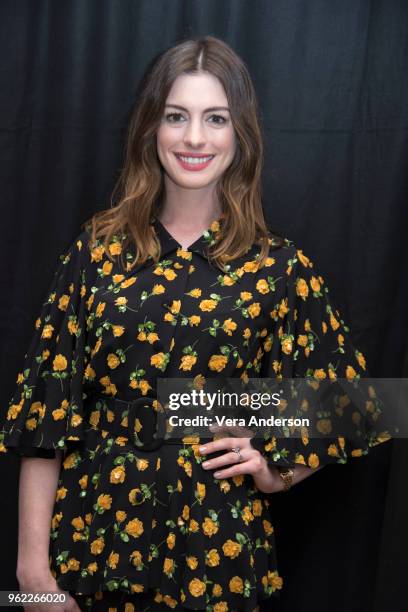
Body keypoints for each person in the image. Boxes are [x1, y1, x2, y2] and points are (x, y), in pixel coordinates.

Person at [0, 36, 389, 612]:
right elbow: (46, 415)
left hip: (219, 557)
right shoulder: (96, 252)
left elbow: (356, 407)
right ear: (151, 128)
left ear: (241, 136)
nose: (194, 138)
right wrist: (31, 575)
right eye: (176, 116)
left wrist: (274, 469)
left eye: (216, 119)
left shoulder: (276, 267)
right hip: (93, 552)